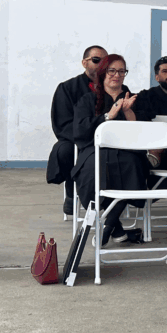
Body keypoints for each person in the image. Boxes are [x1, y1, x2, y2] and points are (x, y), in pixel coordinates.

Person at [72, 54, 154, 246]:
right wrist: (109, 115)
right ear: (103, 73)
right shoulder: (87, 100)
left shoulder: (133, 99)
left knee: (131, 166)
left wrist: (127, 111)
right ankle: (115, 228)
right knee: (93, 169)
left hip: (127, 152)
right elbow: (81, 130)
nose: (117, 75)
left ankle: (107, 227)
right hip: (95, 152)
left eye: (121, 71)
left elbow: (142, 132)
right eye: (112, 70)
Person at [46, 45, 108, 215]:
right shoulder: (67, 88)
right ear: (84, 63)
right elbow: (63, 123)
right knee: (64, 150)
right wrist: (86, 137)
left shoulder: (113, 88)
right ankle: (71, 190)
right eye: (96, 60)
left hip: (107, 139)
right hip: (77, 139)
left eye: (106, 61)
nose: (101, 64)